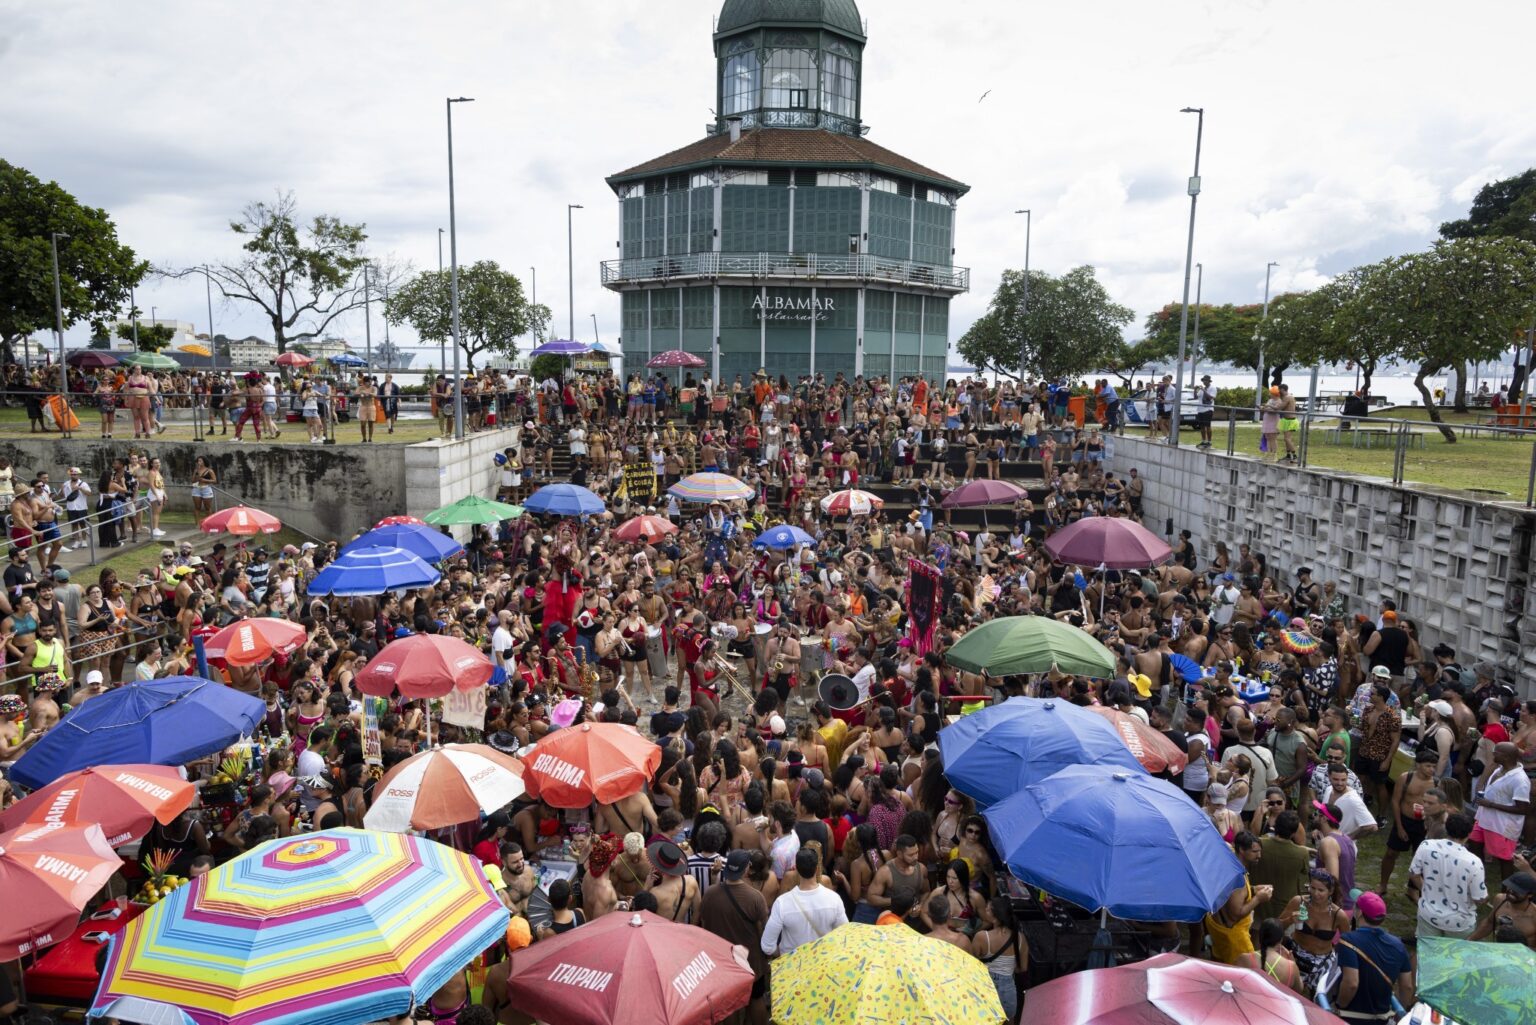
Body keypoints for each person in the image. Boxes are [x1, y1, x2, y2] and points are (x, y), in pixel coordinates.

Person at [699, 849, 770, 1025]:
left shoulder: (709, 893)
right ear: (747, 869)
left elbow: (702, 922)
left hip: (722, 961)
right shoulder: (755, 898)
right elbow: (764, 932)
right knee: (756, 998)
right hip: (750, 961)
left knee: (728, 1003)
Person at [1335, 891, 1415, 1019]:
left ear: (1359, 912)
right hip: (1382, 1019)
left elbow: (1351, 983)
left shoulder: (1348, 941)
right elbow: (1407, 986)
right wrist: (1399, 1014)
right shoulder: (1399, 946)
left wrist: (1339, 1005)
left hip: (1350, 1017)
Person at [1408, 810, 1486, 940]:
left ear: (1446, 827)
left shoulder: (1426, 846)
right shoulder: (1474, 862)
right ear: (1469, 833)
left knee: (1427, 954)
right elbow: (1479, 898)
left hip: (1429, 913)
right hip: (1459, 922)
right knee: (1454, 957)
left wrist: (1426, 891)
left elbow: (1413, 873)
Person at [761, 846, 847, 957]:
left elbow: (767, 946)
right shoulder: (834, 899)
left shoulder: (782, 903)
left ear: (796, 869)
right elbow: (844, 934)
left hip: (792, 966)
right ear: (817, 869)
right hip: (823, 963)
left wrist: (784, 955)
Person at [1203, 831, 1269, 965]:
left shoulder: (1225, 865)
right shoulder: (1237, 877)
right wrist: (1258, 899)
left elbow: (1230, 895)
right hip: (1233, 936)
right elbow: (1235, 914)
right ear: (1241, 850)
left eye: (1259, 851)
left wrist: (1253, 889)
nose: (1259, 856)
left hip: (1217, 926)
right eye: (1254, 851)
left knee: (1220, 967)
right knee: (1244, 973)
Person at [1470, 741, 1532, 882]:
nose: (1492, 754)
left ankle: (1506, 892)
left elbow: (1523, 809)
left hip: (1502, 826)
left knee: (1504, 860)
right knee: (1474, 844)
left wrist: (1491, 804)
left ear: (1506, 756)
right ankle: (1477, 880)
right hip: (1485, 818)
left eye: (1495, 752)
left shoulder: (1520, 780)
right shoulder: (1500, 769)